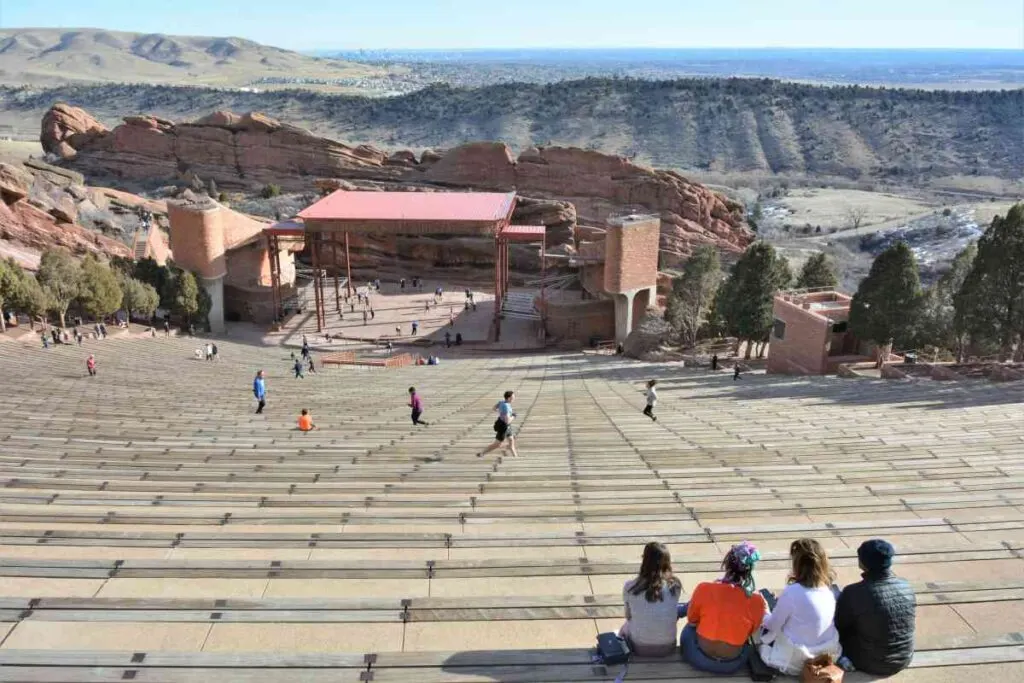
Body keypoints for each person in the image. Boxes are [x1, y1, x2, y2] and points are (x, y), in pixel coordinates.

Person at [680, 541, 768, 674]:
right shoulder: (757, 600)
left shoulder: (704, 588)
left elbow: (692, 620)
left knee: (688, 629)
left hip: (698, 658)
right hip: (732, 664)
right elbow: (751, 632)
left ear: (727, 565)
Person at [758, 538, 842, 676]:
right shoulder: (828, 590)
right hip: (824, 656)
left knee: (762, 628)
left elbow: (772, 626)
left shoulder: (792, 591)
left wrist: (765, 611)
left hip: (795, 661)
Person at [835, 540, 915, 676]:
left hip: (871, 662)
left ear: (862, 563)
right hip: (904, 658)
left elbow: (839, 625)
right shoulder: (906, 586)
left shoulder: (854, 592)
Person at [619, 542, 683, 657]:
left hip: (639, 648)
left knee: (624, 628)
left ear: (645, 561)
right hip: (668, 648)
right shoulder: (675, 586)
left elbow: (628, 616)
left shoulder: (630, 587)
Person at [477, 390, 519, 458]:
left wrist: (500, 413)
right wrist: (513, 416)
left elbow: (494, 408)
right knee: (497, 444)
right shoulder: (506, 407)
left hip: (506, 426)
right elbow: (507, 421)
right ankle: (482, 453)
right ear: (508, 398)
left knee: (511, 441)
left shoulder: (502, 402)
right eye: (513, 397)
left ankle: (516, 457)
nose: (514, 398)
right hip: (503, 427)